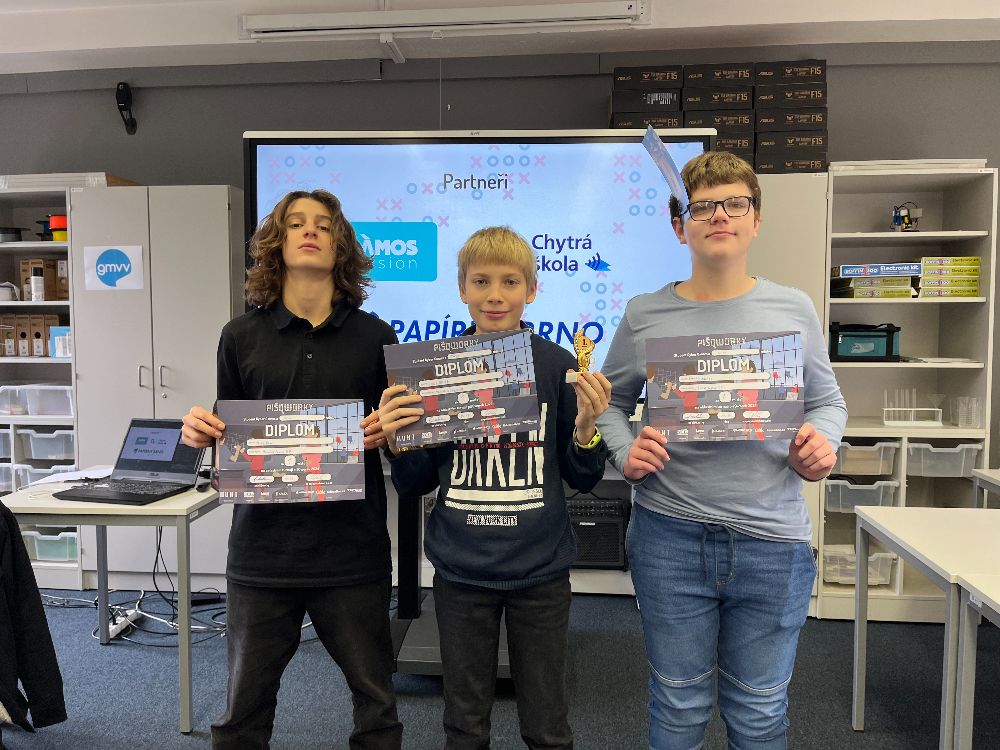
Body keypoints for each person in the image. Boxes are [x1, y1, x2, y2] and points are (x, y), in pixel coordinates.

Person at [596, 152, 847, 750]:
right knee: (678, 705)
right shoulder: (644, 313)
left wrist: (822, 443)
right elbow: (609, 403)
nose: (718, 216)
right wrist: (624, 453)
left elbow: (828, 402)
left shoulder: (793, 308)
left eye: (735, 203)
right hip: (669, 537)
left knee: (759, 712)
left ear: (756, 220)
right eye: (702, 206)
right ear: (678, 225)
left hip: (772, 543)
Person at [180, 189, 403, 750]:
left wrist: (393, 433)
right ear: (276, 243)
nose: (311, 231)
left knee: (377, 708)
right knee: (241, 714)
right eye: (298, 223)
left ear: (340, 246)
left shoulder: (376, 336)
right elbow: (230, 439)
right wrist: (201, 435)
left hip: (353, 553)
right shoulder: (239, 336)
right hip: (262, 554)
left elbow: (398, 439)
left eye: (324, 225)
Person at [377, 226, 612, 750]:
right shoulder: (435, 371)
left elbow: (584, 476)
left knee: (547, 724)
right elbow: (415, 484)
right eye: (481, 281)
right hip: (462, 572)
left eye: (510, 282)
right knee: (464, 722)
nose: (495, 295)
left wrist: (586, 429)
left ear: (532, 290)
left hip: (540, 573)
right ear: (462, 289)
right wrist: (397, 443)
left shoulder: (556, 365)